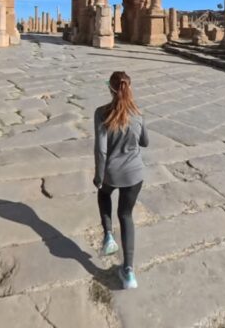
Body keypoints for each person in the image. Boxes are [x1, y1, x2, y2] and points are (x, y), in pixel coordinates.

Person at [94, 71, 148, 290]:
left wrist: (99, 175)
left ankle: (108, 236)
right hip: (136, 175)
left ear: (110, 88)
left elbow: (101, 149)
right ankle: (128, 271)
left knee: (103, 193)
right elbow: (145, 142)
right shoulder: (138, 113)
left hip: (112, 173)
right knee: (126, 216)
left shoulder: (101, 112)